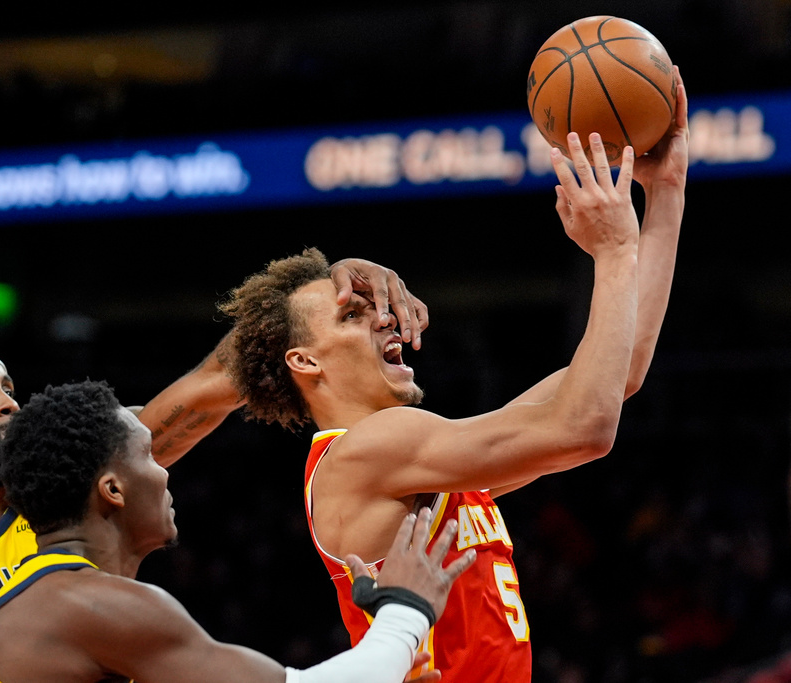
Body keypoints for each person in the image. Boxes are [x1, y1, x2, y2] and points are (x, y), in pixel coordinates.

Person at [217, 70, 689, 681]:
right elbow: (587, 428)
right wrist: (614, 251)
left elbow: (615, 377)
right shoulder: (370, 450)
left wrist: (667, 190)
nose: (386, 320)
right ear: (305, 362)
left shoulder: (421, 462)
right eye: (354, 316)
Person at [0, 257, 429, 683]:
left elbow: (210, 389)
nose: (8, 403)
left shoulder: (65, 487)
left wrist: (325, 290)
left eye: (9, 386)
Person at [0, 379, 476, 683]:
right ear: (112, 490)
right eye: (147, 456)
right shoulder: (92, 606)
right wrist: (406, 611)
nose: (164, 471)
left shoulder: (58, 598)